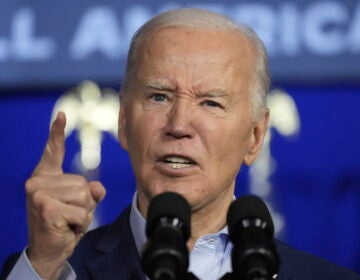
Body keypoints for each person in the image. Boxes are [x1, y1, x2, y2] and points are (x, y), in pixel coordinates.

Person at [1, 8, 359, 280]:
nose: (179, 126)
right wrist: (46, 264)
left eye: (210, 103)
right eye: (159, 97)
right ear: (123, 121)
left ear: (255, 136)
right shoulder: (49, 270)